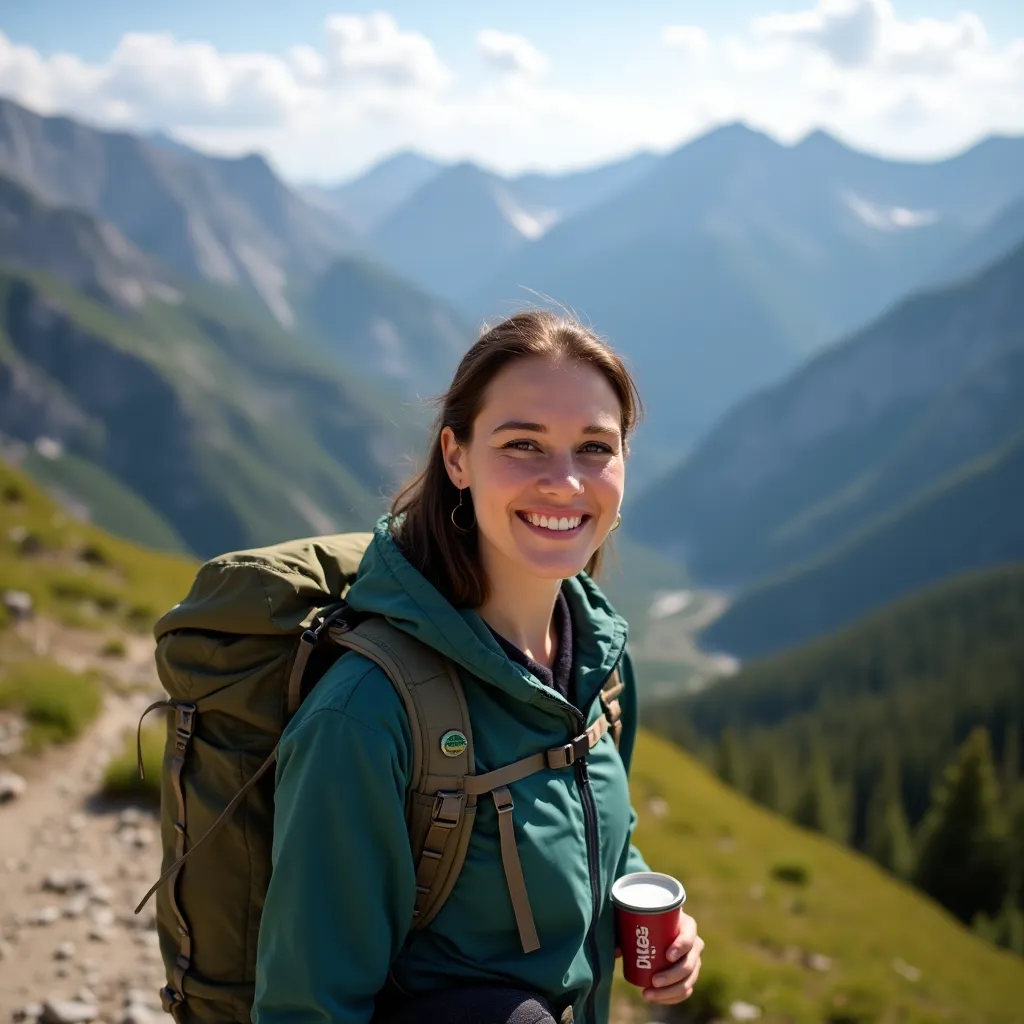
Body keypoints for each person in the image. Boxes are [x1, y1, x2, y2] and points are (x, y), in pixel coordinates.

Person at [251, 311, 704, 1024]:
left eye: (594, 447)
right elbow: (306, 1004)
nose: (565, 482)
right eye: (523, 444)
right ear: (456, 458)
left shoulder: (601, 669)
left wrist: (640, 898)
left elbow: (590, 829)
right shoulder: (368, 712)